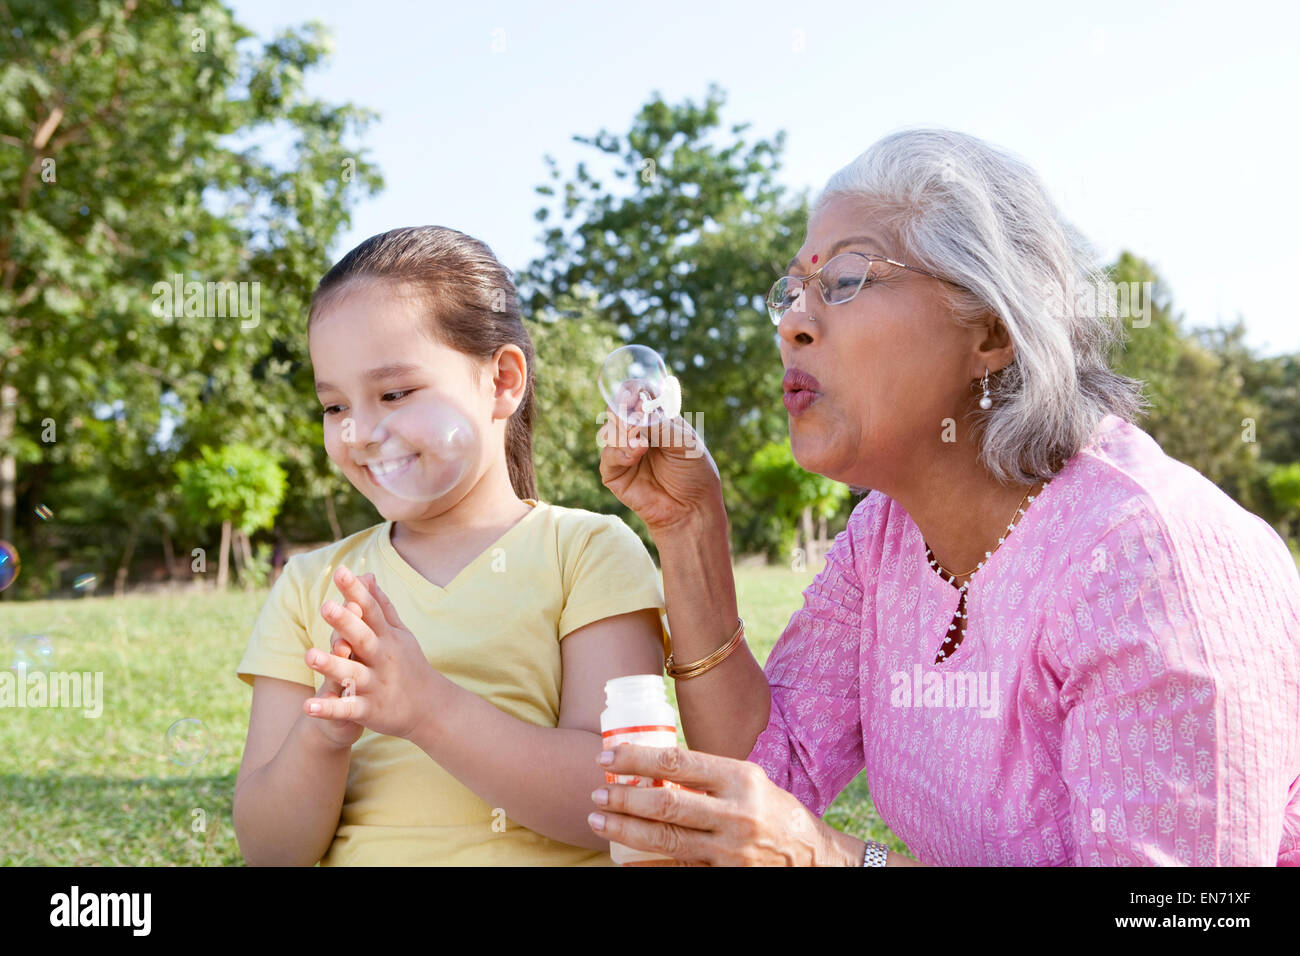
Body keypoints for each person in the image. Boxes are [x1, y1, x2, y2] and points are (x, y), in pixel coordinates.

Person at [587, 128, 1300, 866]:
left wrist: (833, 860)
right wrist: (689, 527)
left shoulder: (1148, 562)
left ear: (990, 329)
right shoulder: (884, 542)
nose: (793, 323)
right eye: (793, 290)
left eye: (845, 280)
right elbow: (768, 774)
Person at [232, 226, 668, 865]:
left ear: (503, 381)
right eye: (333, 406)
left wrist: (426, 708)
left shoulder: (586, 553)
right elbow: (271, 851)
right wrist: (320, 739)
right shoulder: (310, 586)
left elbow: (619, 802)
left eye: (395, 393)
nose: (360, 431)